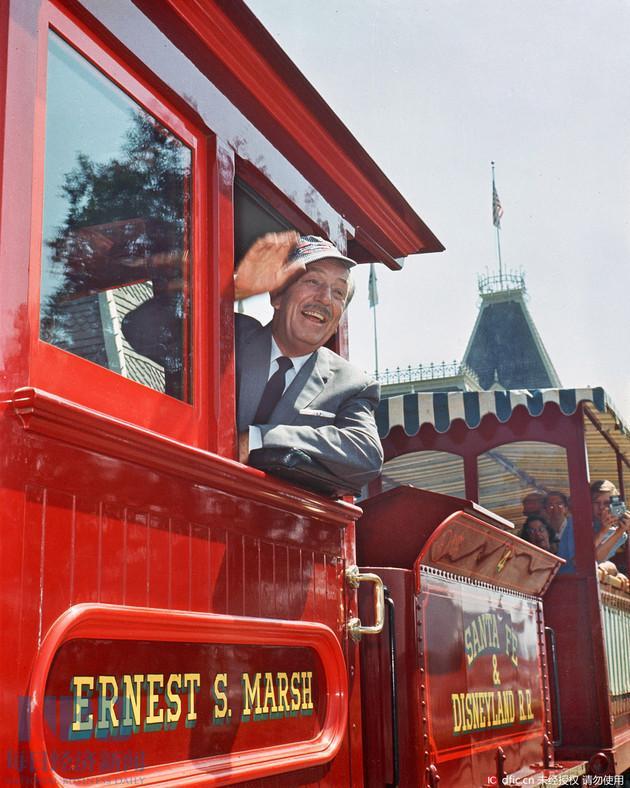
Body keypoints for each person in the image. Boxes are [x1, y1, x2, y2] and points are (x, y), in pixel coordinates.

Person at [233, 231, 383, 490]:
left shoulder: (352, 384)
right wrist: (236, 289)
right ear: (277, 296)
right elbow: (154, 323)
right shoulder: (230, 335)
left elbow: (366, 454)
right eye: (313, 281)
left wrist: (260, 438)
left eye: (339, 292)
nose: (325, 298)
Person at [591, 480, 630, 563]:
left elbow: (597, 560)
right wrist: (603, 531)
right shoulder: (579, 521)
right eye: (596, 502)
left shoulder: (618, 532)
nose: (601, 507)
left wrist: (620, 531)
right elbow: (582, 559)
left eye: (607, 503)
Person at [544, 491, 575, 572]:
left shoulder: (575, 528)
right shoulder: (542, 531)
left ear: (566, 508)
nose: (555, 508)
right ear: (545, 510)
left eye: (559, 504)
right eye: (550, 505)